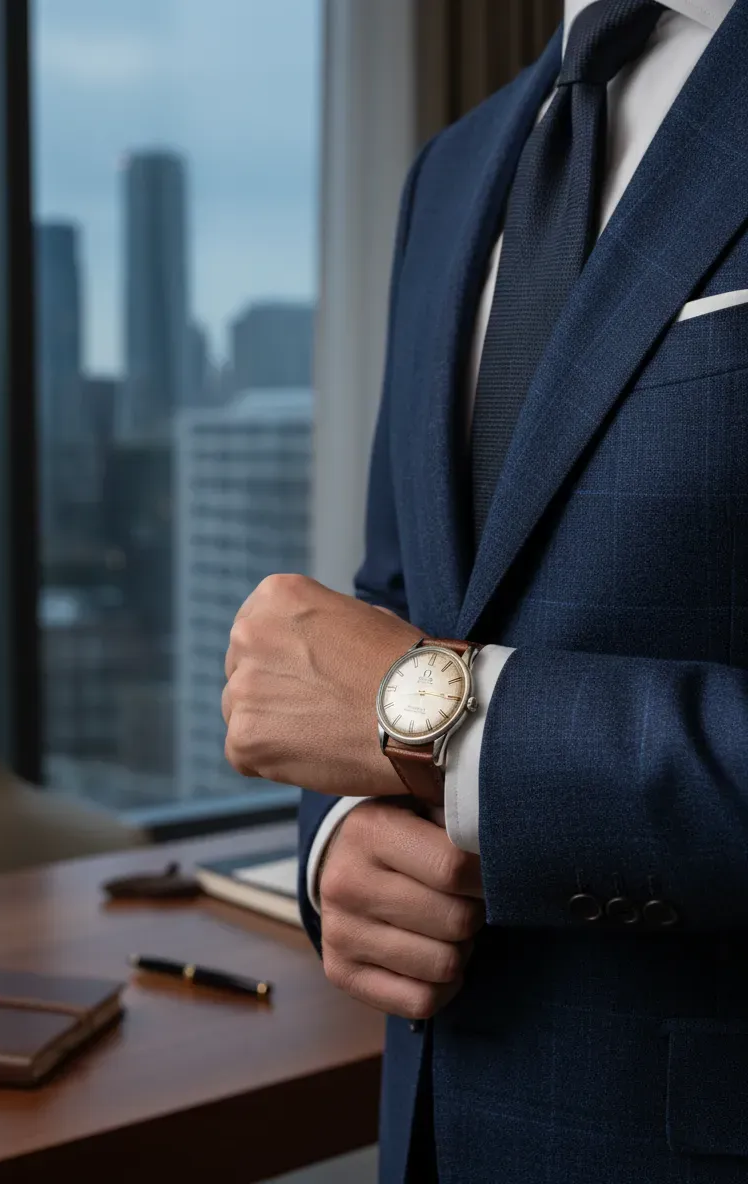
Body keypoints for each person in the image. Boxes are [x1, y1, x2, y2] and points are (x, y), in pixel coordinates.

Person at [222, 0, 748, 1179]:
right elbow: (402, 600)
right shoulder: (454, 169)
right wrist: (339, 838)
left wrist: (446, 722)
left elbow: (406, 687)